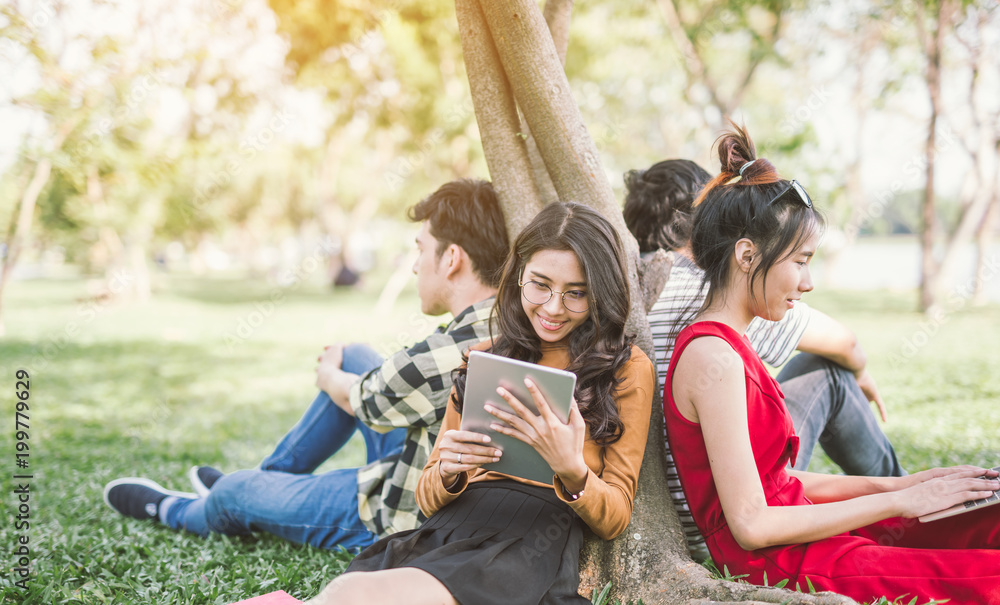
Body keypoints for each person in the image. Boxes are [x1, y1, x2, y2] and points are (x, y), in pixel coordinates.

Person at [663, 124, 1000, 604]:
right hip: (782, 561)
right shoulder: (711, 355)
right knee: (986, 577)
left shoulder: (732, 344)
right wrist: (900, 500)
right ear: (746, 254)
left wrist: (902, 484)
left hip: (801, 530)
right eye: (800, 262)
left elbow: (779, 481)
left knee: (980, 516)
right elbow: (753, 524)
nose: (807, 282)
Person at [103, 178, 509, 551]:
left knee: (233, 494)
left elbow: (367, 402)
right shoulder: (506, 325)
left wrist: (330, 377)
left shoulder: (452, 353)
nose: (417, 265)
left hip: (396, 516)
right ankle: (267, 484)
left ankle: (182, 507)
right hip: (415, 464)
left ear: (452, 258)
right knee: (356, 356)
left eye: (420, 249)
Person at [305, 202, 656, 605]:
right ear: (518, 275)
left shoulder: (625, 369)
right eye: (540, 284)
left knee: (363, 596)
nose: (554, 307)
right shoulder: (485, 357)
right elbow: (427, 495)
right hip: (448, 528)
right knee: (348, 589)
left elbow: (615, 517)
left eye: (576, 293)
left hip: (528, 541)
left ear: (600, 294)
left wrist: (572, 470)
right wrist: (451, 471)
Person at [623, 158, 905, 561]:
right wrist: (859, 371)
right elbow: (844, 342)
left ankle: (901, 495)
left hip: (675, 509)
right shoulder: (725, 288)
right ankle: (904, 491)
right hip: (730, 516)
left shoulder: (621, 294)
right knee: (826, 370)